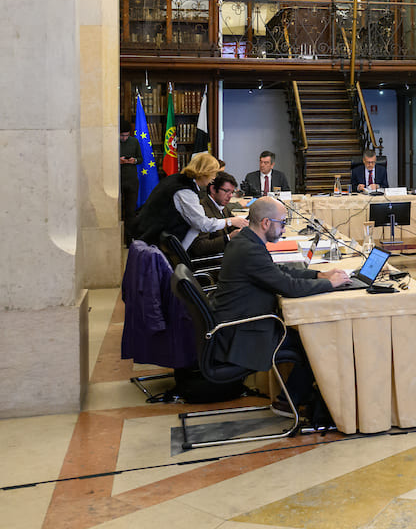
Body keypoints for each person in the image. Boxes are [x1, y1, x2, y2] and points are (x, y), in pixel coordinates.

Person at [212, 197, 350, 422]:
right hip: (242, 334)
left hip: (239, 324)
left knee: (307, 338)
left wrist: (317, 274)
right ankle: (290, 401)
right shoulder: (249, 250)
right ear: (266, 223)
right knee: (314, 342)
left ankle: (296, 397)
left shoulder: (246, 241)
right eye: (282, 223)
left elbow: (278, 271)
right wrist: (330, 284)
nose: (284, 228)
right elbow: (288, 287)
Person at [134, 152, 248, 249]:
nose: (213, 178)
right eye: (213, 174)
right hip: (153, 241)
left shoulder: (177, 179)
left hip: (148, 234)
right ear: (204, 173)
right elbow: (202, 224)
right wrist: (230, 221)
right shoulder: (184, 191)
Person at [188, 171, 242, 258]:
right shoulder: (202, 210)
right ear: (213, 189)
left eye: (232, 192)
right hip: (211, 262)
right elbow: (199, 247)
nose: (230, 196)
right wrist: (228, 238)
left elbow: (233, 226)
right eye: (227, 191)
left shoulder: (221, 205)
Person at [119, 120, 141, 243]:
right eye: (122, 136)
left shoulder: (134, 141)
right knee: (118, 211)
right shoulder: (114, 142)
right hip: (118, 181)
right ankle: (119, 239)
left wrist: (134, 161)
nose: (124, 138)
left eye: (127, 135)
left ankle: (129, 240)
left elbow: (140, 158)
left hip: (132, 181)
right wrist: (119, 161)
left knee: (130, 212)